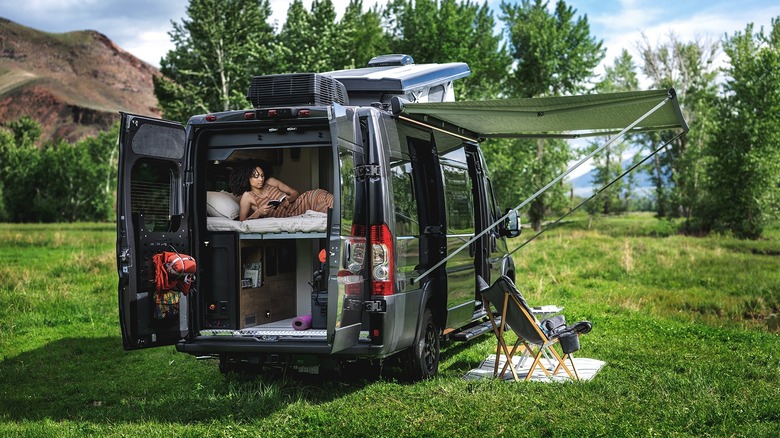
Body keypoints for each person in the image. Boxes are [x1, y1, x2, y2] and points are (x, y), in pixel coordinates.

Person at [229, 160, 334, 221]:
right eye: (256, 176)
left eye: (262, 175)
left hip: (304, 202)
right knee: (333, 210)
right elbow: (242, 222)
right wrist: (259, 212)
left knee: (329, 201)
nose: (261, 179)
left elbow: (295, 192)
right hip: (294, 214)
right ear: (247, 178)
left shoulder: (270, 181)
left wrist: (289, 199)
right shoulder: (247, 196)